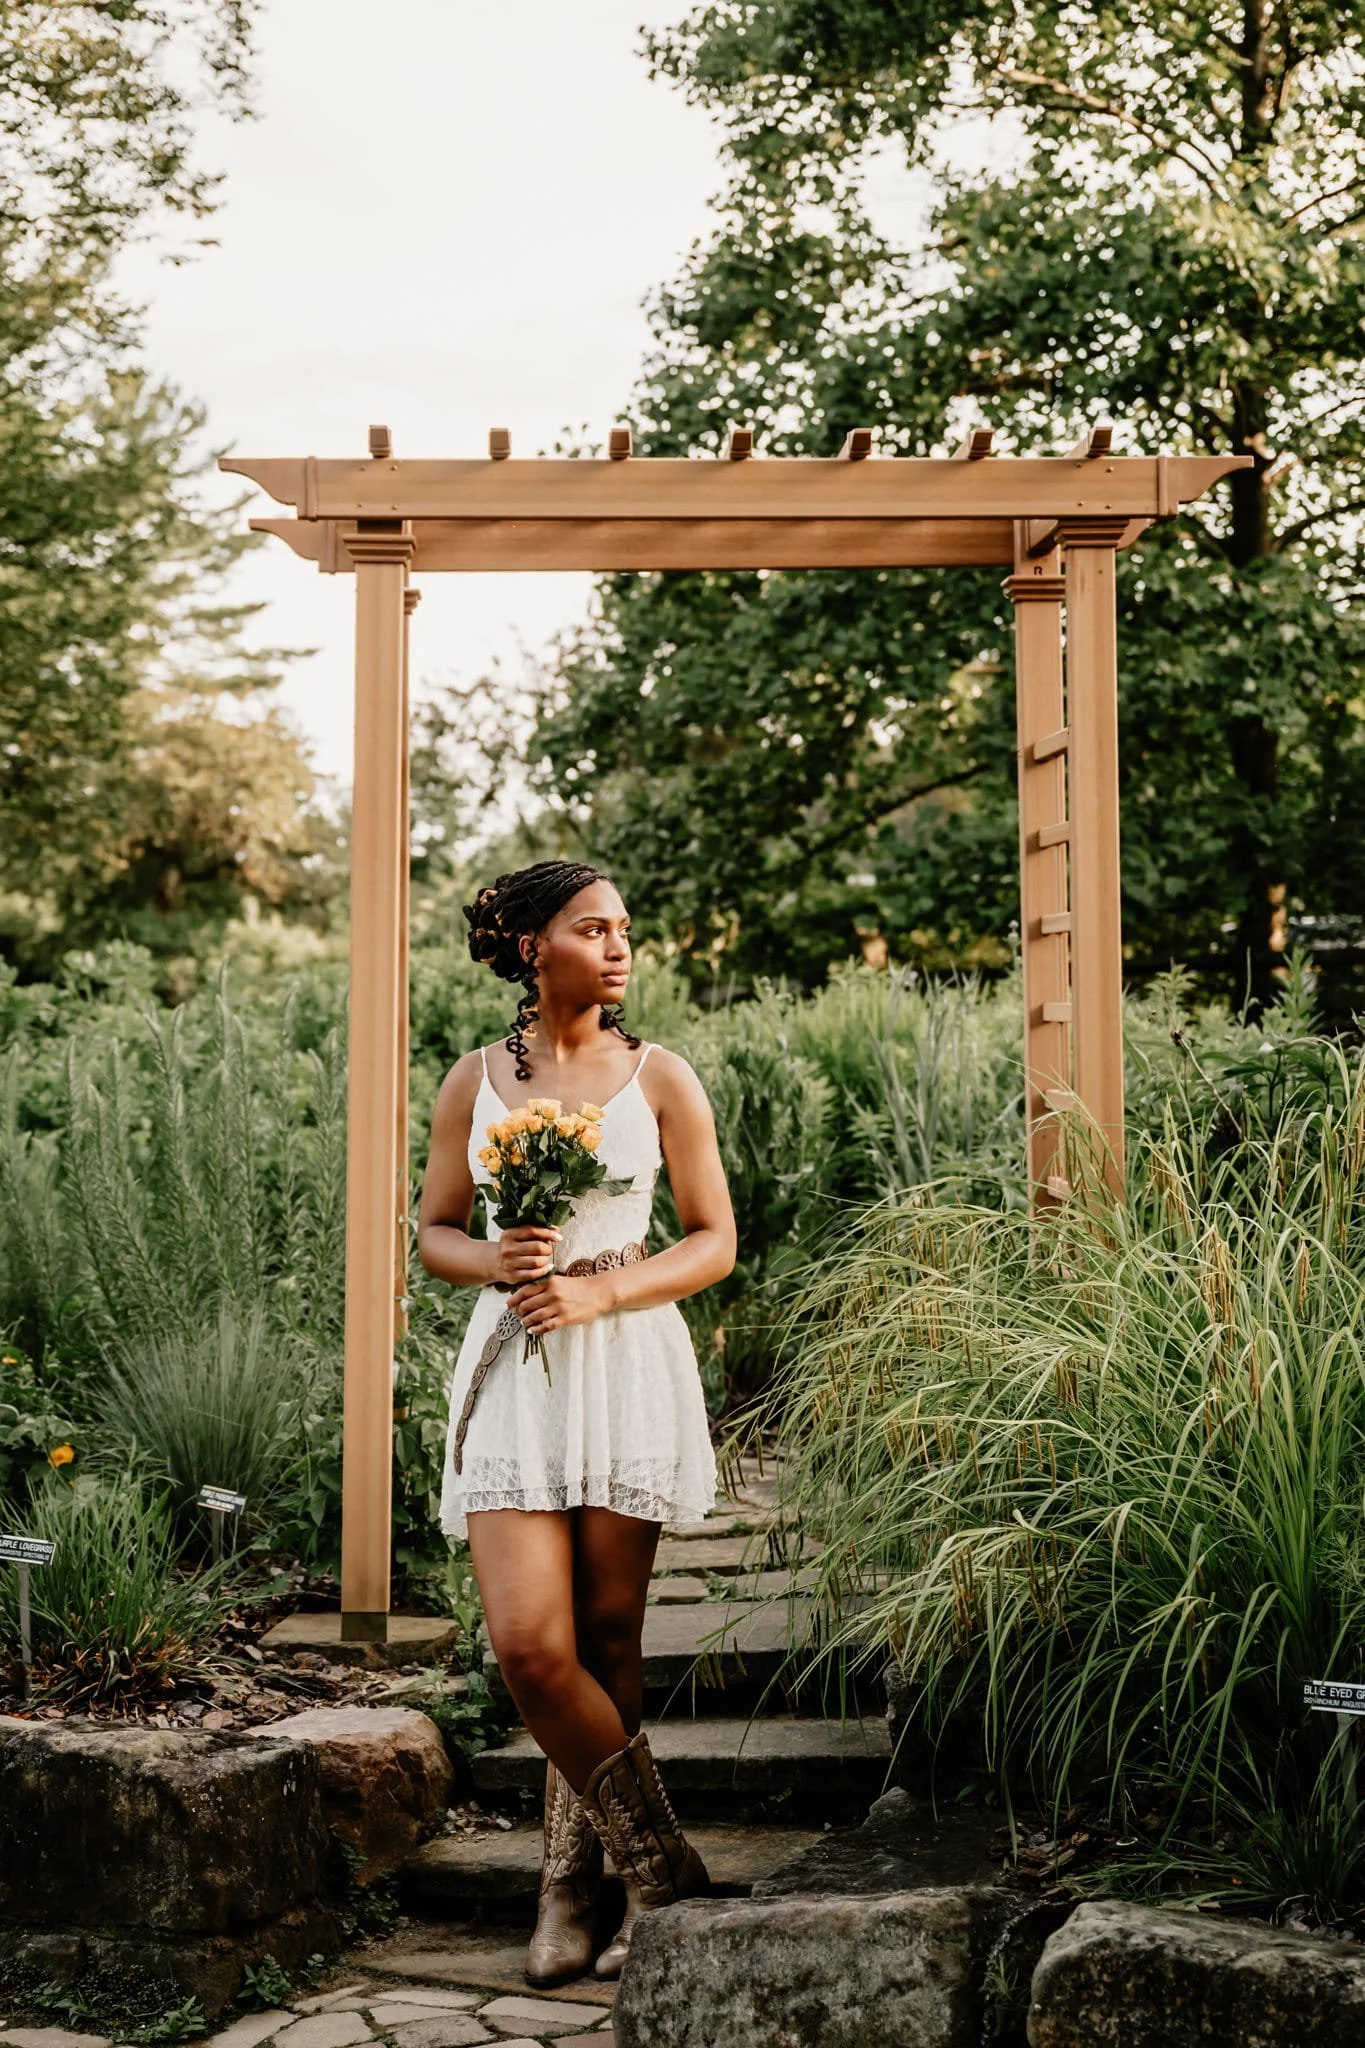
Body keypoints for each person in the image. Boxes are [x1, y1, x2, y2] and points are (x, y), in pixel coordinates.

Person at [417, 858, 736, 1985]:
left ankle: (574, 1881)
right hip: (514, 1368)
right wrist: (493, 1258)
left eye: (624, 929)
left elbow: (712, 1237)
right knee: (531, 1645)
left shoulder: (661, 1076)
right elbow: (435, 1230)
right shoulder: (474, 1082)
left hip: (625, 1353)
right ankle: (660, 1867)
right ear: (525, 943)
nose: (617, 946)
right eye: (590, 927)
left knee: (607, 1638)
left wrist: (602, 1286)